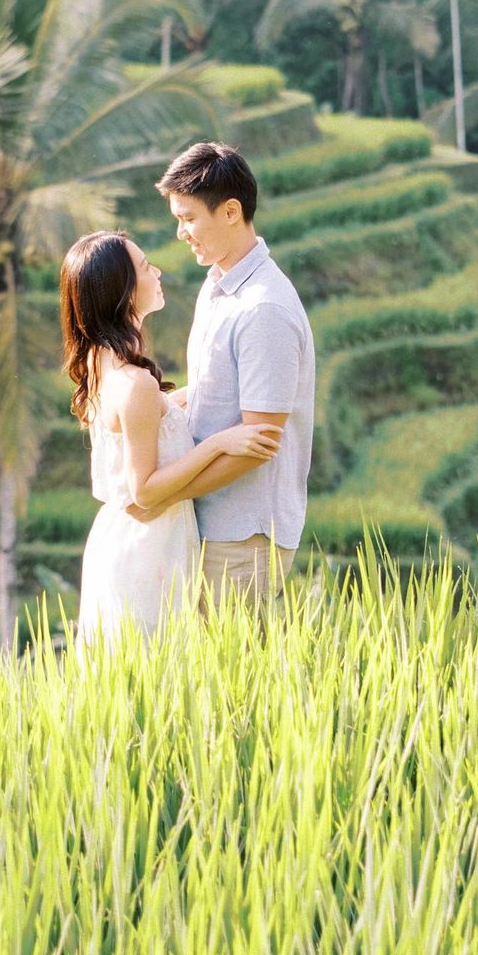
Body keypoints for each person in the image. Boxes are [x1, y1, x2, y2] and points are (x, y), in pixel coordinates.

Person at [60, 230, 282, 644]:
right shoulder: (136, 383)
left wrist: (194, 397)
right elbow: (144, 491)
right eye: (146, 267)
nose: (156, 271)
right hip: (148, 546)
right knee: (157, 666)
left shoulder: (99, 360)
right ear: (123, 291)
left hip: (126, 540)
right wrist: (220, 442)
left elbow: (146, 422)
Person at [150, 142, 316, 610]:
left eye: (188, 218)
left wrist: (166, 492)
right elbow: (212, 395)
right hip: (212, 524)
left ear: (230, 212)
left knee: (234, 680)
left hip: (243, 537)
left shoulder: (263, 307)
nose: (181, 232)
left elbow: (258, 444)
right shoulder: (220, 285)